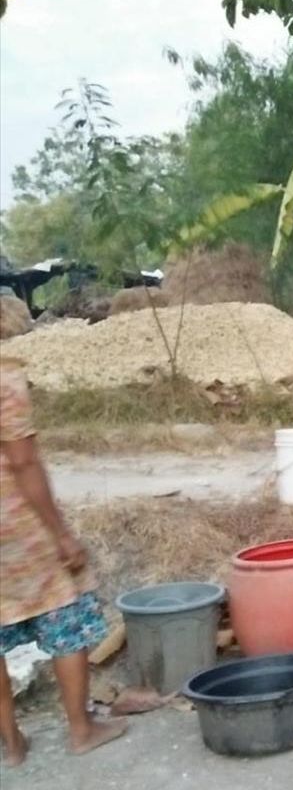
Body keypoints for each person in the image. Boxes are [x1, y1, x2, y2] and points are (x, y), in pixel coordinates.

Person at [0, 305, 128, 767]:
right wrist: (61, 534)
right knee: (64, 612)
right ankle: (81, 728)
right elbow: (22, 463)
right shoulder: (4, 380)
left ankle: (11, 742)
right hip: (17, 527)